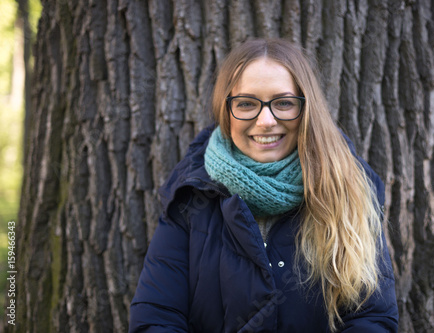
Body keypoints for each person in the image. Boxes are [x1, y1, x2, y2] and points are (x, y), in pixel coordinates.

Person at [129, 38, 399, 332]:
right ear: (226, 110)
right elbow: (156, 317)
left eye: (283, 103)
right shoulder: (192, 194)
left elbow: (371, 319)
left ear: (307, 109)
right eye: (246, 104)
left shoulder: (347, 189)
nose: (266, 120)